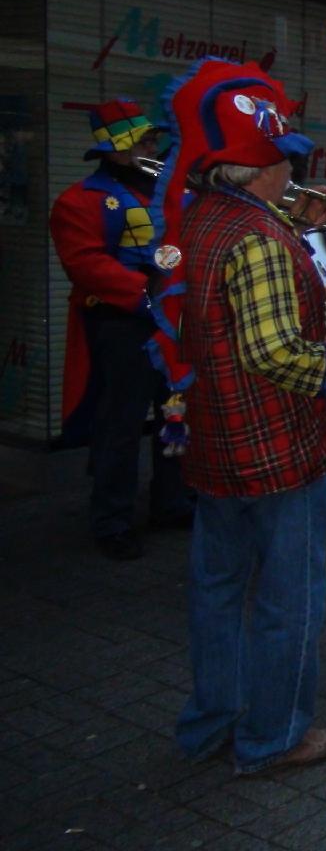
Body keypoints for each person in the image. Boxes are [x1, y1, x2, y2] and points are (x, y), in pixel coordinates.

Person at [149, 58, 326, 774]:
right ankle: (274, 737)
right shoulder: (261, 240)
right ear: (260, 169)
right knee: (289, 598)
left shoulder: (203, 218)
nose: (293, 172)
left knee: (217, 591)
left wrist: (298, 224)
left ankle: (210, 723)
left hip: (216, 441)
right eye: (285, 161)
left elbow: (224, 317)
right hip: (278, 446)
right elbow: (274, 352)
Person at [49, 99, 194, 560]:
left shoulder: (172, 192)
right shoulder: (78, 200)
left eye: (152, 139)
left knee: (176, 416)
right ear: (113, 148)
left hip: (171, 323)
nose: (151, 147)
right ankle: (112, 519)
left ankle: (172, 501)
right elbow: (86, 265)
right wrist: (149, 293)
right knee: (121, 425)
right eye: (141, 141)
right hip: (123, 326)